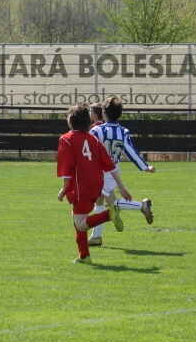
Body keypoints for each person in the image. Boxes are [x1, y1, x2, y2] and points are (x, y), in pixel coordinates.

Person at [57, 103, 130, 265]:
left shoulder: (66, 139)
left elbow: (66, 166)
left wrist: (64, 187)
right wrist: (121, 186)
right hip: (97, 183)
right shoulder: (93, 139)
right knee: (77, 218)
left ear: (71, 120)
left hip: (81, 185)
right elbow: (109, 164)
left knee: (81, 225)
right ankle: (84, 256)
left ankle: (108, 215)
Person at [87, 96, 155, 246]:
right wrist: (144, 166)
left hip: (100, 170)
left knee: (108, 202)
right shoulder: (123, 131)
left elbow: (88, 149)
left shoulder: (97, 130)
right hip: (114, 169)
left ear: (104, 113)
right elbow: (130, 151)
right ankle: (96, 237)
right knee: (101, 201)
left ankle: (141, 206)